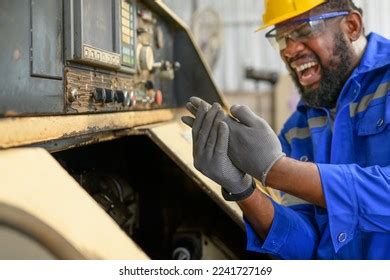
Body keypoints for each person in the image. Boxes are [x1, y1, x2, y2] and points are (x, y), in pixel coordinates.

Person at [181, 0, 390, 259]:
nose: (289, 50)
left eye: (304, 30)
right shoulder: (296, 129)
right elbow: (307, 247)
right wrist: (243, 189)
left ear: (352, 26)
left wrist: (277, 170)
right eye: (281, 38)